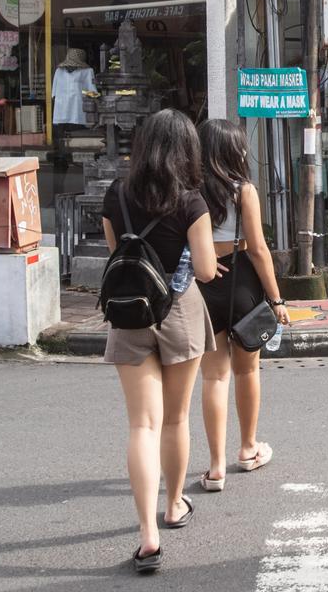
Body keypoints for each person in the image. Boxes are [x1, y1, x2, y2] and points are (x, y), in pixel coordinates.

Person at [100, 109, 218, 574]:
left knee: (141, 427)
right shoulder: (192, 202)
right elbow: (206, 270)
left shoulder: (116, 195)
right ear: (187, 150)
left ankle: (148, 537)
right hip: (179, 310)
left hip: (131, 312)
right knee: (175, 419)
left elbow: (117, 254)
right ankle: (173, 506)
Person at [196, 119, 290, 492]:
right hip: (241, 283)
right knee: (247, 372)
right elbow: (258, 249)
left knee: (213, 376)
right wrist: (277, 298)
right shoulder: (244, 190)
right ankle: (248, 449)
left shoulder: (189, 189)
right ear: (233, 152)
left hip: (204, 283)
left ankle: (216, 466)